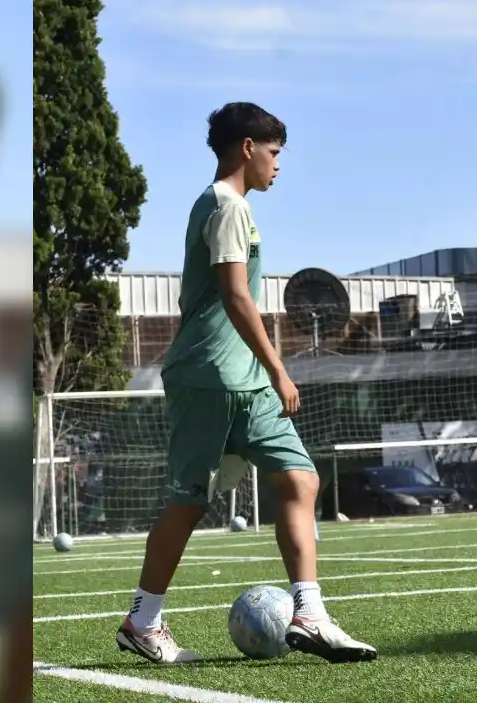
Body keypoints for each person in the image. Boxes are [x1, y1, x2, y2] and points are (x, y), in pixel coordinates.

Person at [115, 103, 377, 665]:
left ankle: (308, 612)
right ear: (248, 148)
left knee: (301, 479)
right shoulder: (224, 205)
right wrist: (280, 367)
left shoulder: (237, 209)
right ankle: (142, 621)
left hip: (245, 382)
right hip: (208, 378)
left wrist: (264, 372)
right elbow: (237, 297)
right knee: (187, 503)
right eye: (275, 152)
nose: (279, 165)